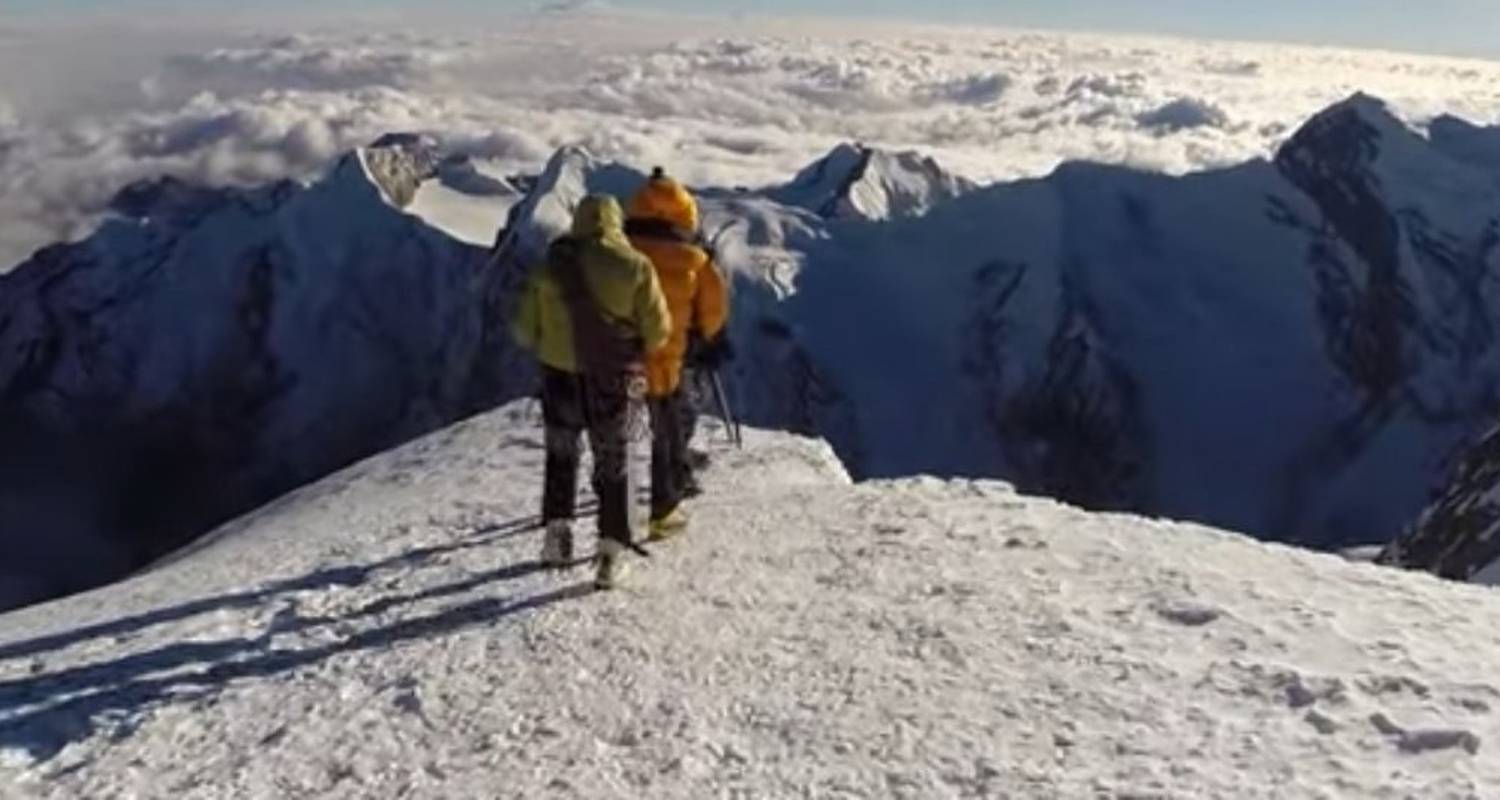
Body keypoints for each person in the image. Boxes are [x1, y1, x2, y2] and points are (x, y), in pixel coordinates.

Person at [512, 194, 670, 590]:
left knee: (562, 456)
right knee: (612, 461)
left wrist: (557, 342)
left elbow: (523, 331)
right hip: (612, 382)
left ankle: (557, 539)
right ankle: (610, 552)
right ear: (617, 223)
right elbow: (658, 332)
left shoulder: (552, 266)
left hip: (559, 377)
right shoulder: (637, 267)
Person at [625, 168, 730, 538]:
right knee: (668, 426)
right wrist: (709, 341)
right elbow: (713, 314)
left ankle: (616, 498)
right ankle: (665, 499)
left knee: (618, 430)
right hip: (668, 362)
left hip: (620, 357)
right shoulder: (696, 261)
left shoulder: (618, 251)